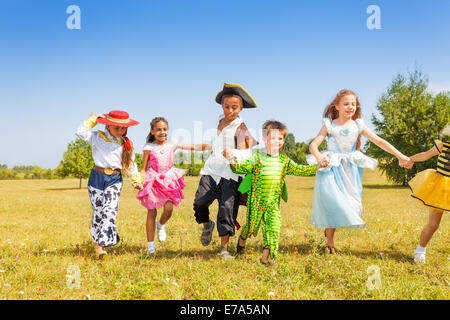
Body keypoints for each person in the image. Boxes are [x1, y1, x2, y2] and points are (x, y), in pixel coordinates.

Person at [307, 89, 411, 253]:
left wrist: (400, 155)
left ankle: (329, 236)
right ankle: (330, 243)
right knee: (333, 202)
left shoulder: (358, 125)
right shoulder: (329, 125)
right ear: (337, 106)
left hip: (350, 170)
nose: (350, 107)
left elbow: (379, 141)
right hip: (331, 168)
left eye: (353, 104)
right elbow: (313, 145)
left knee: (349, 205)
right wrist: (319, 157)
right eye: (346, 104)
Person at [223, 120, 317, 265]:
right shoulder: (257, 158)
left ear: (284, 140)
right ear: (265, 139)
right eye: (273, 138)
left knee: (273, 229)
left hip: (273, 203)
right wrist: (232, 160)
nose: (276, 141)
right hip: (256, 201)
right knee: (252, 226)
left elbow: (300, 169)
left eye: (280, 138)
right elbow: (239, 168)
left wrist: (318, 167)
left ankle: (266, 258)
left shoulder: (284, 161)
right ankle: (242, 240)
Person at [193, 83, 258, 260]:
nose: (230, 110)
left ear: (241, 107)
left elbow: (247, 153)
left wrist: (233, 153)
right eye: (226, 106)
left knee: (226, 209)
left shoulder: (241, 128)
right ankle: (207, 225)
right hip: (212, 170)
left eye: (234, 107)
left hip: (230, 174)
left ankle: (224, 248)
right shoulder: (220, 121)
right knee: (199, 202)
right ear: (221, 106)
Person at [136, 117, 211, 254]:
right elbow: (143, 167)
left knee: (169, 208)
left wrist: (212, 146)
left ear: (168, 130)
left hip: (168, 179)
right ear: (152, 131)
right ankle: (151, 246)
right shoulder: (148, 147)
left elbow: (194, 147)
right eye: (158, 130)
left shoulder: (172, 144)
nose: (162, 132)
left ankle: (161, 225)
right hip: (153, 179)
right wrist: (140, 181)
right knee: (151, 211)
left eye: (164, 129)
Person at [76, 110, 143, 259]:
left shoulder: (126, 144)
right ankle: (97, 244)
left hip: (114, 179)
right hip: (96, 178)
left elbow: (131, 164)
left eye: (123, 128)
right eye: (117, 128)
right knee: (98, 212)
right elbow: (80, 132)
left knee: (110, 210)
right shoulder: (96, 137)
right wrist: (93, 119)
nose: (121, 131)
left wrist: (136, 180)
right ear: (108, 126)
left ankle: (103, 243)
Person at [404, 123, 449, 263]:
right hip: (441, 187)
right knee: (434, 224)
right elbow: (425, 155)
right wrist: (410, 159)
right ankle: (420, 251)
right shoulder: (444, 145)